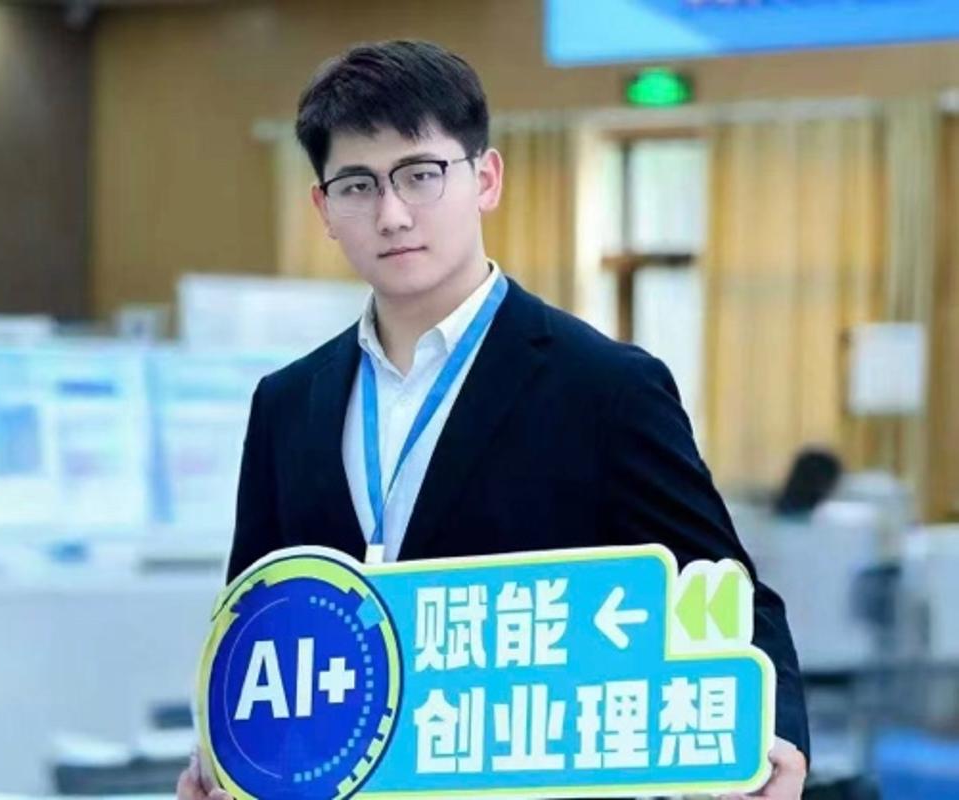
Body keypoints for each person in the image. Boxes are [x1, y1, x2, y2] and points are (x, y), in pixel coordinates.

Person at [178, 39, 809, 800]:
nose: (391, 214)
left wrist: (774, 739)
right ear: (324, 209)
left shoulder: (605, 388)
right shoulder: (287, 403)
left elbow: (724, 590)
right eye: (357, 185)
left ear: (485, 179)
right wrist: (226, 759)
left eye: (420, 174)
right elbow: (256, 620)